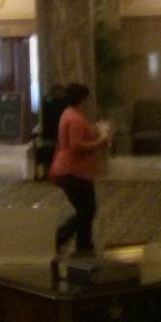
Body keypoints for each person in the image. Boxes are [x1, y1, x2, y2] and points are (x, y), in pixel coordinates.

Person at [52, 82, 113, 256]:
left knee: (85, 210)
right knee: (87, 211)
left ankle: (84, 245)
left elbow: (77, 137)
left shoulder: (68, 114)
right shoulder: (76, 119)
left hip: (75, 171)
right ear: (82, 99)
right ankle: (58, 238)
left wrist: (93, 131)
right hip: (73, 172)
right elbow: (76, 146)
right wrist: (100, 141)